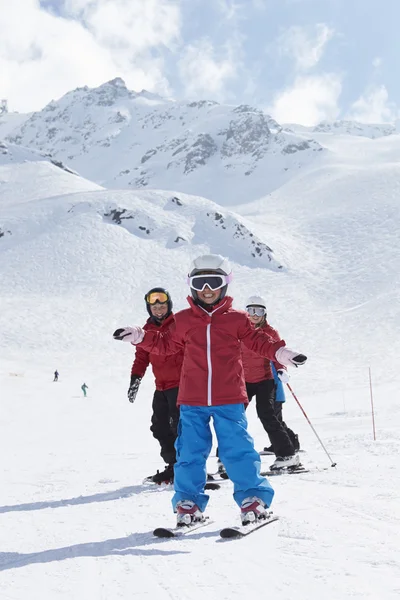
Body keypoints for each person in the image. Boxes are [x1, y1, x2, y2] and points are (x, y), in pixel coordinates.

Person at [113, 254, 307, 527]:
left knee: (237, 450)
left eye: (213, 282)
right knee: (189, 453)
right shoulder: (182, 320)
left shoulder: (237, 319)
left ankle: (253, 499)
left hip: (229, 397)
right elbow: (165, 345)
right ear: (191, 285)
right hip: (192, 399)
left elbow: (258, 341)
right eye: (200, 282)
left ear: (225, 284)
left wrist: (281, 352)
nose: (206, 289)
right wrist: (141, 336)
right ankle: (188, 503)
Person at [130, 287, 183, 484]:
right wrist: (136, 377)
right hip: (161, 387)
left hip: (181, 385)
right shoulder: (146, 331)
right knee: (159, 427)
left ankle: (188, 467)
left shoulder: (178, 325)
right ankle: (173, 465)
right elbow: (141, 356)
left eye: (162, 305)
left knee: (180, 427)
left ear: (169, 306)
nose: (159, 309)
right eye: (155, 307)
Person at [242, 296, 300, 468]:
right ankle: (228, 456)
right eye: (250, 311)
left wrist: (281, 369)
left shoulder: (270, 332)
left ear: (264, 314)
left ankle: (287, 454)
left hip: (264, 380)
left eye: (258, 311)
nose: (254, 315)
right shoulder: (240, 331)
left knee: (267, 414)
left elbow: (278, 353)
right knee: (232, 416)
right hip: (242, 380)